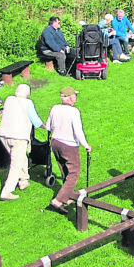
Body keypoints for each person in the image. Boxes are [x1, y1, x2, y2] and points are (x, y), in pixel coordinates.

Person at [45, 86, 91, 215]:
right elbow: (78, 132)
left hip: (55, 143)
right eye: (75, 95)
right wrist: (86, 145)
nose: (76, 98)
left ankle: (68, 197)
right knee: (73, 173)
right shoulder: (74, 112)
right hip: (69, 146)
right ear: (71, 98)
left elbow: (48, 126)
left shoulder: (54, 108)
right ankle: (58, 200)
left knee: (64, 170)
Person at [0, 83, 44, 201]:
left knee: (21, 157)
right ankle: (7, 191)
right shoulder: (28, 103)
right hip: (19, 137)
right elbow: (35, 120)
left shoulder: (9, 100)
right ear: (27, 93)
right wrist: (45, 126)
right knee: (16, 164)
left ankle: (23, 180)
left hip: (4, 135)